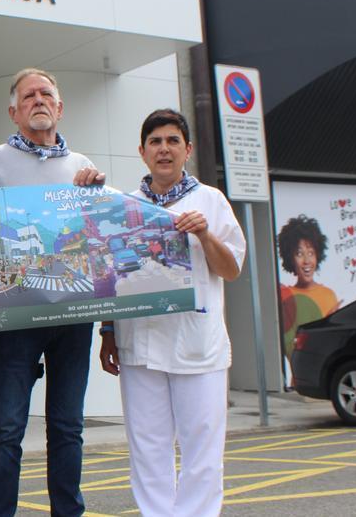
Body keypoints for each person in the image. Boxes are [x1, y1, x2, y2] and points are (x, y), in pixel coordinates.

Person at [0, 68, 104, 517]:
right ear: (13, 111)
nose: (38, 100)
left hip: (73, 316)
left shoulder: (83, 167)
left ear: (60, 108)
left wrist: (98, 197)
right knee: (7, 428)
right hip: (14, 315)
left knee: (68, 425)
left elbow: (97, 239)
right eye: (28, 96)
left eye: (46, 94)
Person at [99, 108, 246, 517]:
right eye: (155, 142)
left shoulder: (210, 201)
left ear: (187, 149)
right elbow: (111, 277)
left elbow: (232, 269)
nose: (164, 149)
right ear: (142, 152)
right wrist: (108, 331)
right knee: (148, 448)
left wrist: (204, 234)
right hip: (140, 344)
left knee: (202, 450)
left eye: (172, 141)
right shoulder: (126, 205)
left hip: (197, 344)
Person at [276, 215, 338, 358]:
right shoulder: (285, 296)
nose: (307, 261)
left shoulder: (329, 295)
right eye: (299, 254)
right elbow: (290, 347)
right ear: (290, 258)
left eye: (311, 253)